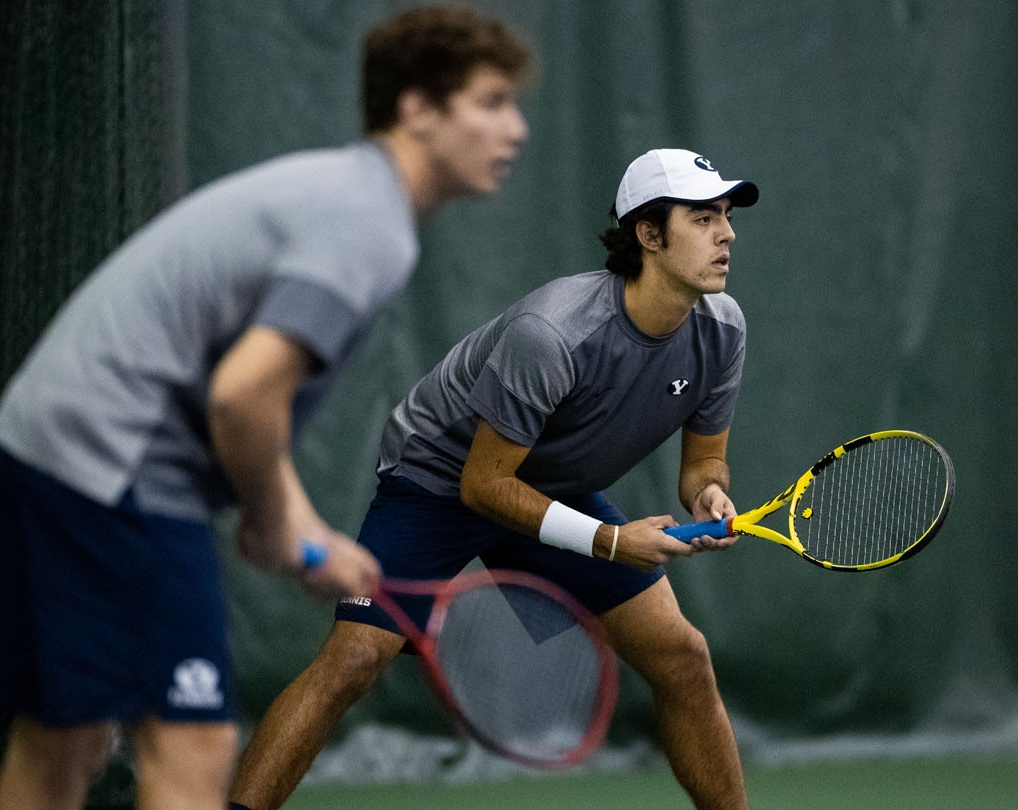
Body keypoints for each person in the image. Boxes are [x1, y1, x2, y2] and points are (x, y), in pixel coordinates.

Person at [0, 6, 532, 808]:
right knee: (193, 743)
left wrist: (308, 535)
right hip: (119, 461)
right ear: (417, 109)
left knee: (60, 736)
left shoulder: (342, 192)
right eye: (490, 102)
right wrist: (278, 528)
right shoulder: (368, 221)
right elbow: (242, 395)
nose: (513, 129)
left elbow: (251, 404)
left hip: (39, 439)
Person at [228, 147, 759, 810]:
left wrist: (708, 492)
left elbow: (703, 463)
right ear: (650, 235)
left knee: (683, 656)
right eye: (705, 218)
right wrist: (613, 541)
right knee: (354, 661)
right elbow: (484, 485)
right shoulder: (555, 333)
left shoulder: (722, 329)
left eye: (728, 217)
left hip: (550, 485)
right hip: (439, 482)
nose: (728, 234)